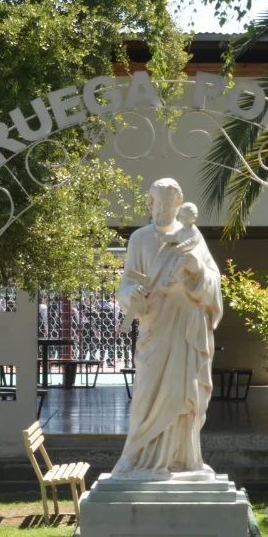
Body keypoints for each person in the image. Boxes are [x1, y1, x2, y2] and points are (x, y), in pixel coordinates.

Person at [110, 180, 222, 480]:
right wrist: (131, 294)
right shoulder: (140, 238)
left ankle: (184, 460)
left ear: (179, 204)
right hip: (155, 327)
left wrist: (197, 270)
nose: (162, 209)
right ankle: (135, 455)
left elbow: (214, 283)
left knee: (183, 394)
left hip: (186, 326)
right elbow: (125, 285)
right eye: (158, 203)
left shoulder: (192, 237)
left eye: (169, 203)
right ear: (150, 202)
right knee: (146, 395)